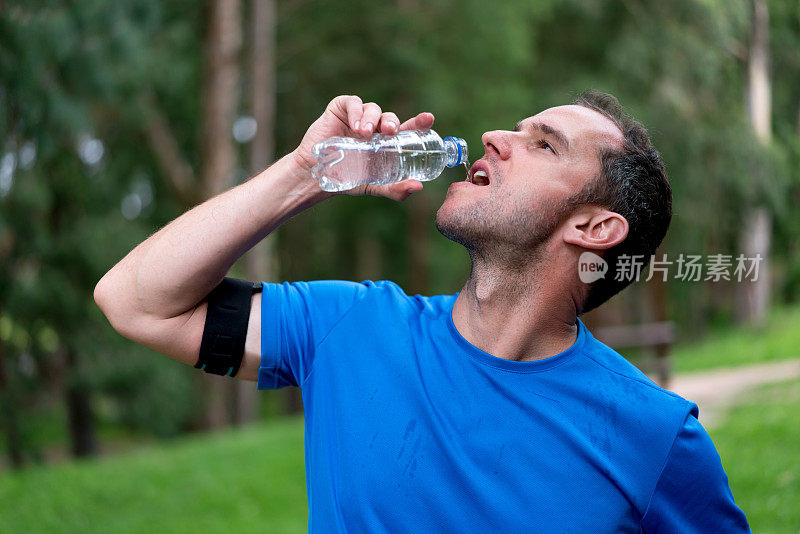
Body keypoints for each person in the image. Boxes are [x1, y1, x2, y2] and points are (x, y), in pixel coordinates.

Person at [95, 92, 751, 533]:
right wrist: (305, 174)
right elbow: (134, 302)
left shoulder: (656, 436)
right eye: (515, 130)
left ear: (595, 226)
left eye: (543, 145)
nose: (494, 138)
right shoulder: (347, 326)